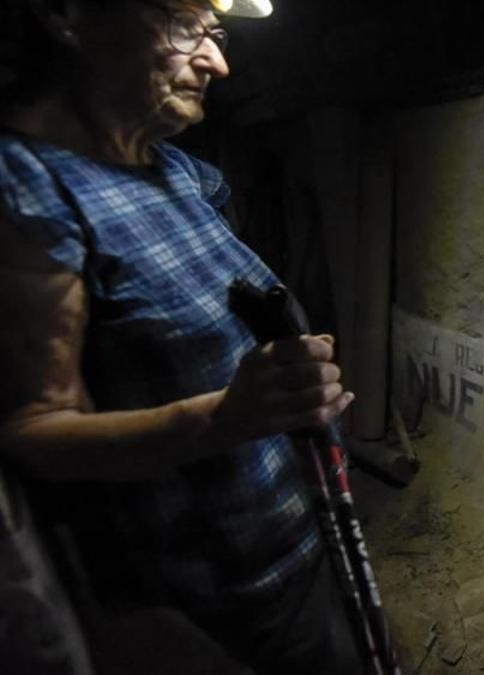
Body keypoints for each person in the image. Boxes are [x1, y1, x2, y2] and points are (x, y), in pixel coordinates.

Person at [0, 1, 366, 673]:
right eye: (182, 26)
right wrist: (226, 415)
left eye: (216, 34)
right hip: (212, 596)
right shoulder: (28, 187)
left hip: (302, 538)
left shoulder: (174, 169)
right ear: (71, 16)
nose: (218, 62)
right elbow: (35, 432)